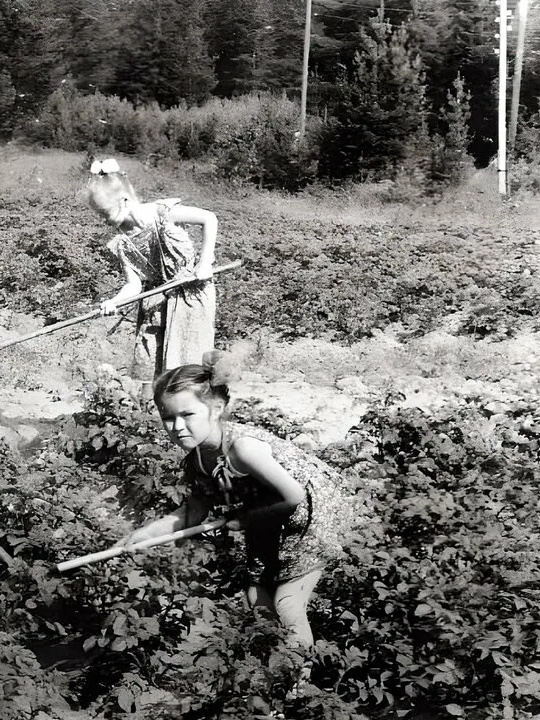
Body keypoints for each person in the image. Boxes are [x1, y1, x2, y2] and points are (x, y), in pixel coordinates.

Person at [120, 357, 349, 660]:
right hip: (267, 518)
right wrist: (145, 535)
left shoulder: (243, 449)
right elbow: (192, 512)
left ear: (215, 409)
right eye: (168, 417)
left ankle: (297, 690)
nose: (177, 426)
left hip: (312, 517)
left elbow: (294, 496)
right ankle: (269, 676)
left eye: (187, 414)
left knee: (287, 604)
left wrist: (244, 520)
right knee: (258, 601)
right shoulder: (196, 460)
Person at [86, 157, 219, 379]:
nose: (103, 220)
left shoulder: (161, 212)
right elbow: (134, 285)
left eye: (104, 213)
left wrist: (205, 263)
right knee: (151, 370)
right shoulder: (123, 243)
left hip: (191, 297)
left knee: (188, 367)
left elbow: (209, 218)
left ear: (124, 200)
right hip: (155, 304)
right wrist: (114, 302)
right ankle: (151, 412)